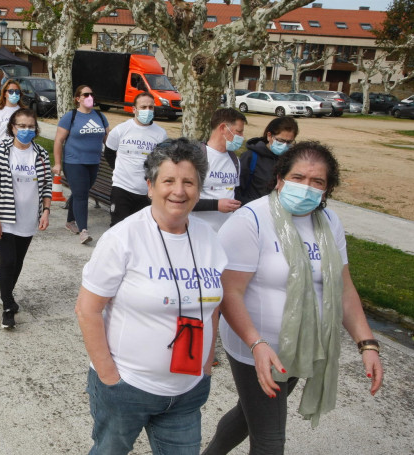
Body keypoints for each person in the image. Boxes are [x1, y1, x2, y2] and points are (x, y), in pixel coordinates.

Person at [203, 141, 384, 454]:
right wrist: (257, 344)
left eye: (317, 182)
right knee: (271, 440)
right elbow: (229, 292)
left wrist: (366, 343)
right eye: (298, 177)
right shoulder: (252, 220)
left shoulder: (329, 223)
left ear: (327, 189)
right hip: (256, 347)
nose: (306, 187)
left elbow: (342, 287)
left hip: (300, 347)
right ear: (279, 179)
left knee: (250, 416)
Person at [76, 139, 225, 454]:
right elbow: (88, 310)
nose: (179, 191)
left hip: (187, 391)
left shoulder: (209, 239)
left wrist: (206, 368)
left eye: (189, 182)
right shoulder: (122, 239)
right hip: (127, 388)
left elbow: (212, 309)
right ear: (150, 186)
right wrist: (109, 377)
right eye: (168, 180)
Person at [0, 108, 52, 329]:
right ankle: (7, 308)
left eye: (30, 126)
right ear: (12, 128)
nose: (26, 130)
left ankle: (7, 294)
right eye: (21, 126)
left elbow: (47, 187)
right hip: (5, 216)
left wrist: (46, 210)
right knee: (8, 261)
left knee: (18, 262)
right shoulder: (1, 152)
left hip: (28, 218)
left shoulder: (41, 154)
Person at [53, 85, 108, 244]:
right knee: (82, 194)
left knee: (79, 192)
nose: (90, 97)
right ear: (78, 98)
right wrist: (57, 163)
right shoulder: (71, 116)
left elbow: (108, 138)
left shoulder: (99, 116)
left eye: (91, 94)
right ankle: (84, 230)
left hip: (94, 162)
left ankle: (70, 221)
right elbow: (58, 140)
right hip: (74, 162)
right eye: (86, 94)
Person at [104, 92, 168, 226]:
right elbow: (109, 153)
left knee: (142, 230)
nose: (148, 110)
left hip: (147, 192)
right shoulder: (120, 130)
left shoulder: (160, 134)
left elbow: (162, 162)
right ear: (134, 109)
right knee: (118, 228)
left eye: (151, 107)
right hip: (122, 188)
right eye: (143, 107)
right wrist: (120, 170)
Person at [191, 107, 245, 232]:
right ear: (223, 128)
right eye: (239, 132)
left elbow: (234, 192)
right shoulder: (197, 157)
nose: (242, 137)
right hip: (198, 231)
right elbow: (183, 199)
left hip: (226, 232)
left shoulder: (235, 160)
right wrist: (216, 205)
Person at [236, 117, 299, 205]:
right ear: (269, 136)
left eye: (289, 142)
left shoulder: (291, 161)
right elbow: (236, 191)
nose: (285, 145)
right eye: (281, 141)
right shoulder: (250, 157)